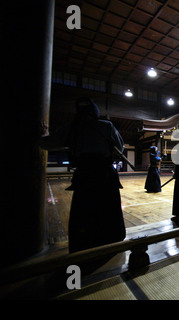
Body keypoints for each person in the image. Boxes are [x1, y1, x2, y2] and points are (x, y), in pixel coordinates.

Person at [39, 97, 126, 253]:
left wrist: (43, 133)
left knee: (85, 211)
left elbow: (46, 143)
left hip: (84, 175)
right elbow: (119, 148)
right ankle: (111, 241)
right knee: (108, 210)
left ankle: (85, 244)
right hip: (104, 174)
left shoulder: (72, 128)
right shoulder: (106, 126)